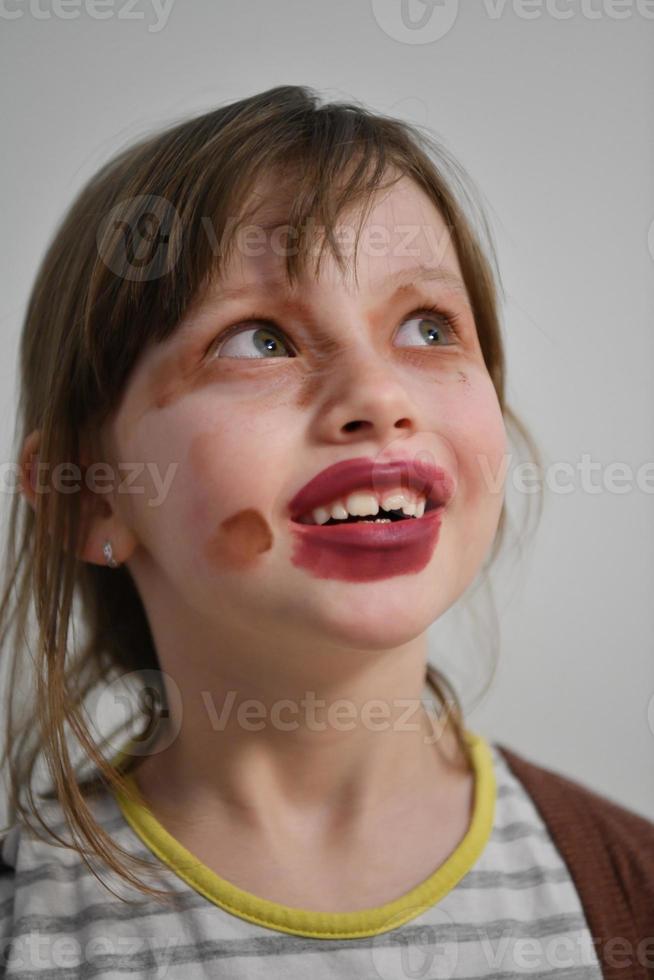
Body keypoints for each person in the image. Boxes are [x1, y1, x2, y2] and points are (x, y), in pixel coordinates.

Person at [0, 84, 652, 979]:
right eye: (259, 339)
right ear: (90, 497)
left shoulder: (629, 895)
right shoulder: (23, 929)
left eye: (428, 328)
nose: (381, 399)